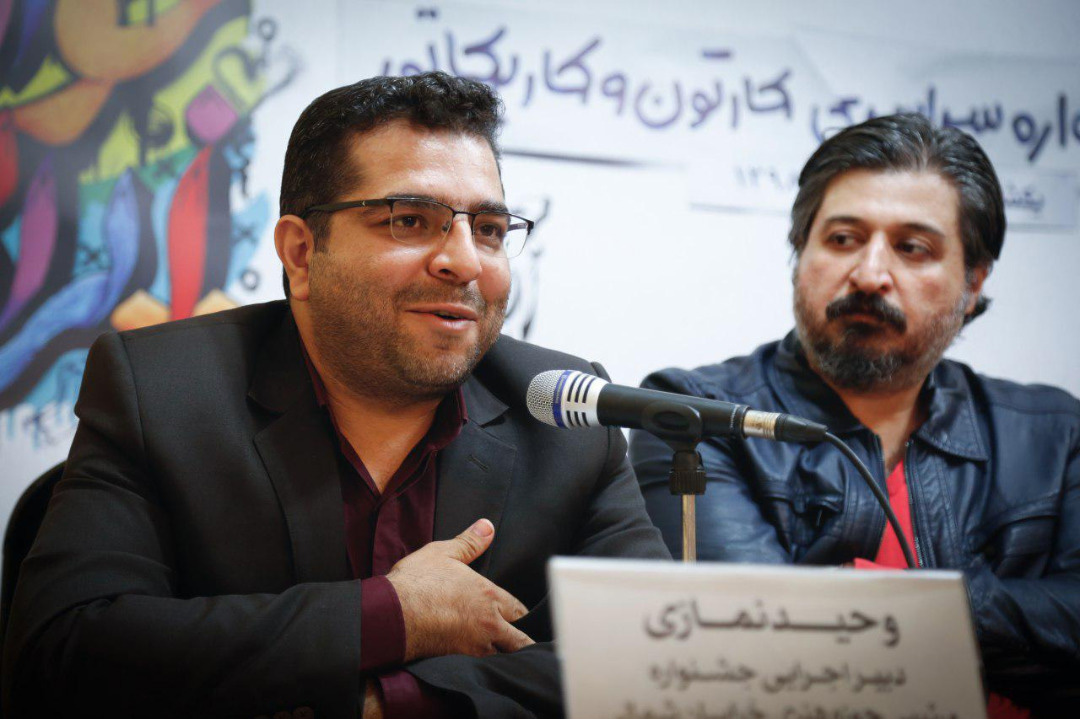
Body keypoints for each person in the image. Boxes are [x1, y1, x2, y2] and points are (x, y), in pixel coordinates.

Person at [3, 72, 669, 718]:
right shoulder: (163, 390)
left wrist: (390, 703)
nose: (466, 261)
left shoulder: (566, 419)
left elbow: (656, 661)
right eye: (410, 220)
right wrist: (391, 615)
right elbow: (64, 653)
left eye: (489, 229)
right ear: (301, 252)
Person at [630, 114, 1079, 716]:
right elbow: (758, 647)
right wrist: (1010, 624)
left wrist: (932, 604)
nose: (869, 275)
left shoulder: (1056, 435)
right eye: (843, 239)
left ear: (973, 283)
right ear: (799, 254)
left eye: (912, 248)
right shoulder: (693, 415)